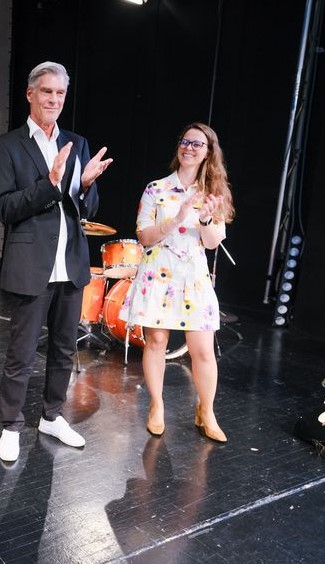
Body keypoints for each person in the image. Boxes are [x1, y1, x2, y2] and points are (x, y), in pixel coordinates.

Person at [0, 61, 113, 463]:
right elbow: (6, 208)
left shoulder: (78, 142)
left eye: (60, 94)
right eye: (47, 92)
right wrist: (51, 184)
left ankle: (52, 415)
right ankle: (11, 424)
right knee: (21, 352)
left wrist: (87, 185)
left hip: (71, 264)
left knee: (64, 350)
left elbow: (85, 211)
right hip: (31, 265)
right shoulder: (6, 145)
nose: (54, 100)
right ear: (30, 94)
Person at [118, 122, 235, 443]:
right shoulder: (156, 189)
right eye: (185, 142)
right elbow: (144, 237)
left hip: (193, 279)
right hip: (158, 275)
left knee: (203, 351)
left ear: (208, 153)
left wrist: (207, 218)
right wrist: (177, 217)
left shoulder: (214, 194)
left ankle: (206, 411)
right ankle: (156, 406)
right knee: (156, 343)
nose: (189, 148)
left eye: (197, 144)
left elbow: (212, 243)